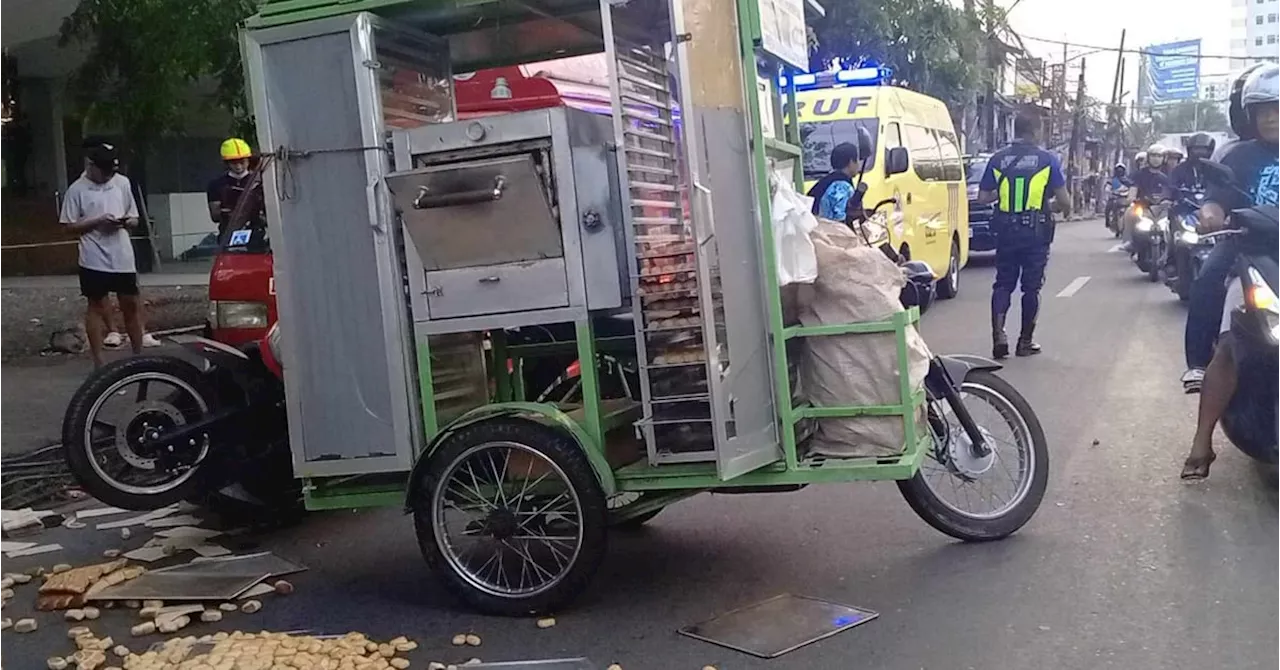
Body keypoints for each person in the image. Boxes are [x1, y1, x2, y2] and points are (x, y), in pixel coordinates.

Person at [1180, 63, 1280, 479]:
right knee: (1227, 344)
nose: (1271, 117)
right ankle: (1202, 439)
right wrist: (1210, 215)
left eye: (1278, 108)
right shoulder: (1237, 156)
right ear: (1248, 116)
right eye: (1263, 111)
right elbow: (1216, 199)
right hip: (1248, 251)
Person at [976, 114, 1072, 359]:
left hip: (1006, 231)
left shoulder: (998, 159)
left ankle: (999, 337)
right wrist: (1048, 207)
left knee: (1003, 284)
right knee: (1031, 288)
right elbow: (1064, 202)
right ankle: (1024, 342)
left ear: (1015, 130)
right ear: (1035, 130)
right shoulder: (1047, 160)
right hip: (1035, 233)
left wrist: (1008, 194)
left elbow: (983, 198)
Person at [61, 141, 148, 368]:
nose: (108, 175)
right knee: (96, 305)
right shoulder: (77, 189)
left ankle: (138, 356)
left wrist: (127, 222)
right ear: (91, 166)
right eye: (103, 171)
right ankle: (99, 361)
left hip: (121, 253)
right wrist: (97, 221)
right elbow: (68, 226)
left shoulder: (122, 183)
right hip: (93, 255)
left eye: (111, 171)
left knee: (130, 303)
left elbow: (134, 216)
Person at [207, 138, 262, 241]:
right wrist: (227, 210)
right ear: (227, 163)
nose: (238, 166)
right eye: (234, 162)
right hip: (228, 235)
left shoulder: (259, 182)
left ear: (248, 160)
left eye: (242, 162)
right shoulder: (216, 184)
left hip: (256, 236)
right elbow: (215, 216)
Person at [807, 142, 864, 221]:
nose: (859, 164)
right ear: (851, 162)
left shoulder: (824, 182)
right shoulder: (842, 187)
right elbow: (841, 220)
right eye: (857, 160)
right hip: (829, 231)